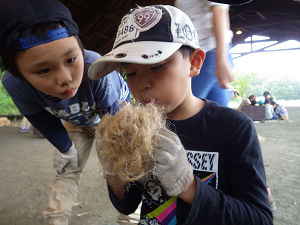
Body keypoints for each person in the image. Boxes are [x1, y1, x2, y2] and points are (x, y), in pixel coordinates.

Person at [88, 5, 273, 225]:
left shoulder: (233, 127)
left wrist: (189, 186)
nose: (141, 85)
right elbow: (127, 204)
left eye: (156, 67)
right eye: (131, 73)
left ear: (194, 63)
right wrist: (113, 170)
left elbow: (259, 218)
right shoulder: (139, 130)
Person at [0, 0, 130, 224]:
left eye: (71, 59)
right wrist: (65, 147)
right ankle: (56, 220)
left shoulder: (96, 68)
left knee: (120, 170)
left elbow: (115, 120)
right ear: (20, 74)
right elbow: (40, 118)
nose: (65, 78)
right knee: (69, 168)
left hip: (113, 116)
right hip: (76, 120)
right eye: (43, 70)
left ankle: (129, 215)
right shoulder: (15, 84)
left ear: (80, 48)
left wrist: (116, 158)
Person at [175, 0, 234, 107]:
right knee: (217, 114)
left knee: (182, 110)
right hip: (206, 54)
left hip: (206, 54)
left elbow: (219, 10)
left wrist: (221, 59)